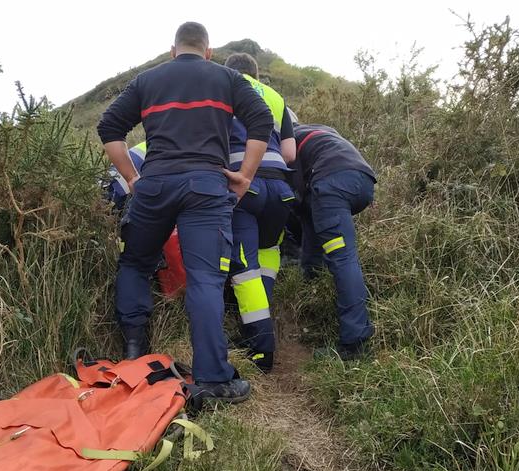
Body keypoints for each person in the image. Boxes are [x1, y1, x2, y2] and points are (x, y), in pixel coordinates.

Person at [97, 22, 273, 403]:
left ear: (173, 50)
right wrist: (244, 176)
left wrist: (132, 178)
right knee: (206, 279)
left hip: (155, 184)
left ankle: (133, 352)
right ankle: (212, 380)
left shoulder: (147, 80)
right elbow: (262, 120)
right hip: (206, 188)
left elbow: (109, 126)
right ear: (208, 51)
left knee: (136, 263)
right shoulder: (227, 78)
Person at [224, 52, 296, 372]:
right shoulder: (277, 97)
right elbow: (291, 152)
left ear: (230, 72)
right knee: (268, 252)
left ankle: (260, 349)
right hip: (280, 187)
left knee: (245, 269)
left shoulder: (225, 86)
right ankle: (263, 318)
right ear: (256, 72)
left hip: (244, 183)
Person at [290, 119, 376, 360]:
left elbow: (291, 196)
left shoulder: (287, 140)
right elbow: (304, 211)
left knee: (342, 258)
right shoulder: (323, 131)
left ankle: (354, 343)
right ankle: (312, 289)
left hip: (331, 183)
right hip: (362, 182)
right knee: (313, 222)